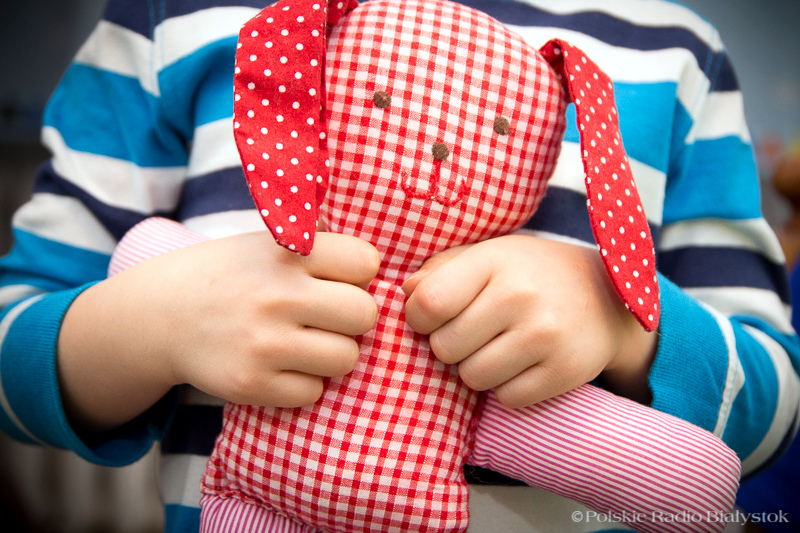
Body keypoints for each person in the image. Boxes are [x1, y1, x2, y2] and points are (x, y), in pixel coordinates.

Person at [0, 0, 797, 531]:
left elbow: (775, 395)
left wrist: (621, 318)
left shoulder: (678, 50)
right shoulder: (167, 17)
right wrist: (149, 325)